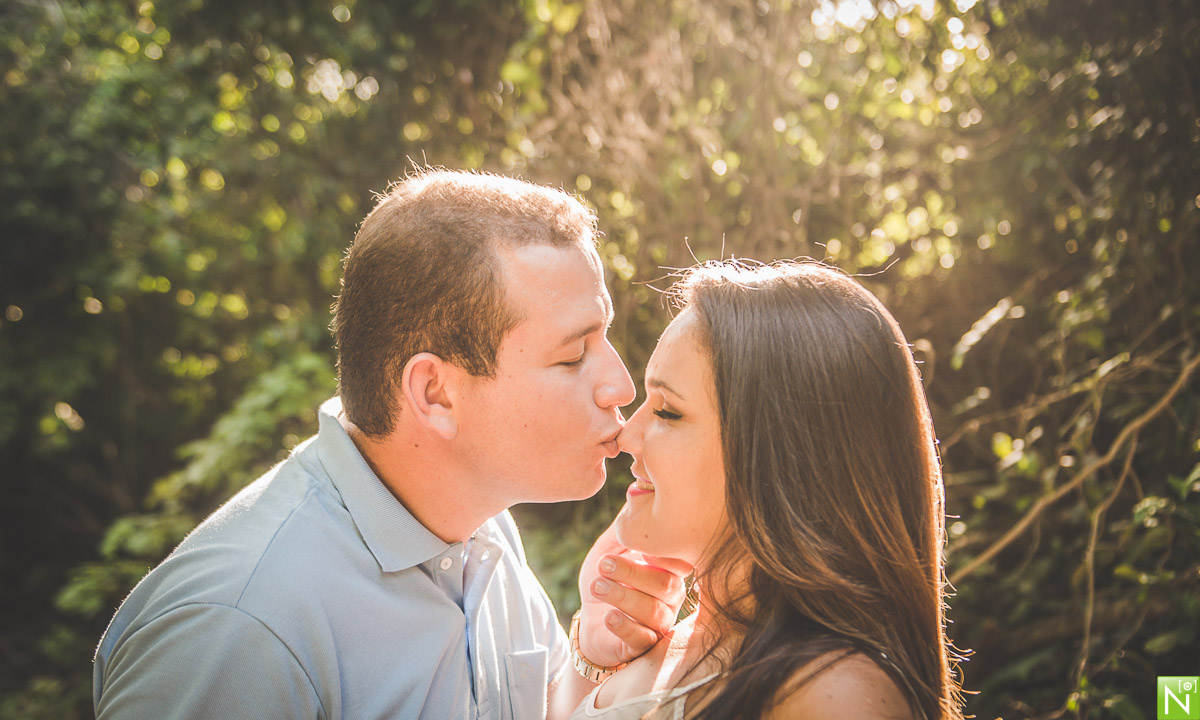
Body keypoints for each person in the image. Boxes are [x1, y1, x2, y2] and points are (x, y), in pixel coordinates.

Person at [93, 169, 687, 719]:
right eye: (572, 355)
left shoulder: (481, 528)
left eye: (603, 337)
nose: (620, 384)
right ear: (435, 393)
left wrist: (589, 657)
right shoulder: (236, 632)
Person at [567, 260, 964, 720]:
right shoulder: (679, 645)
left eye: (668, 411)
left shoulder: (833, 697)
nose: (624, 437)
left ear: (782, 453)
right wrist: (594, 648)